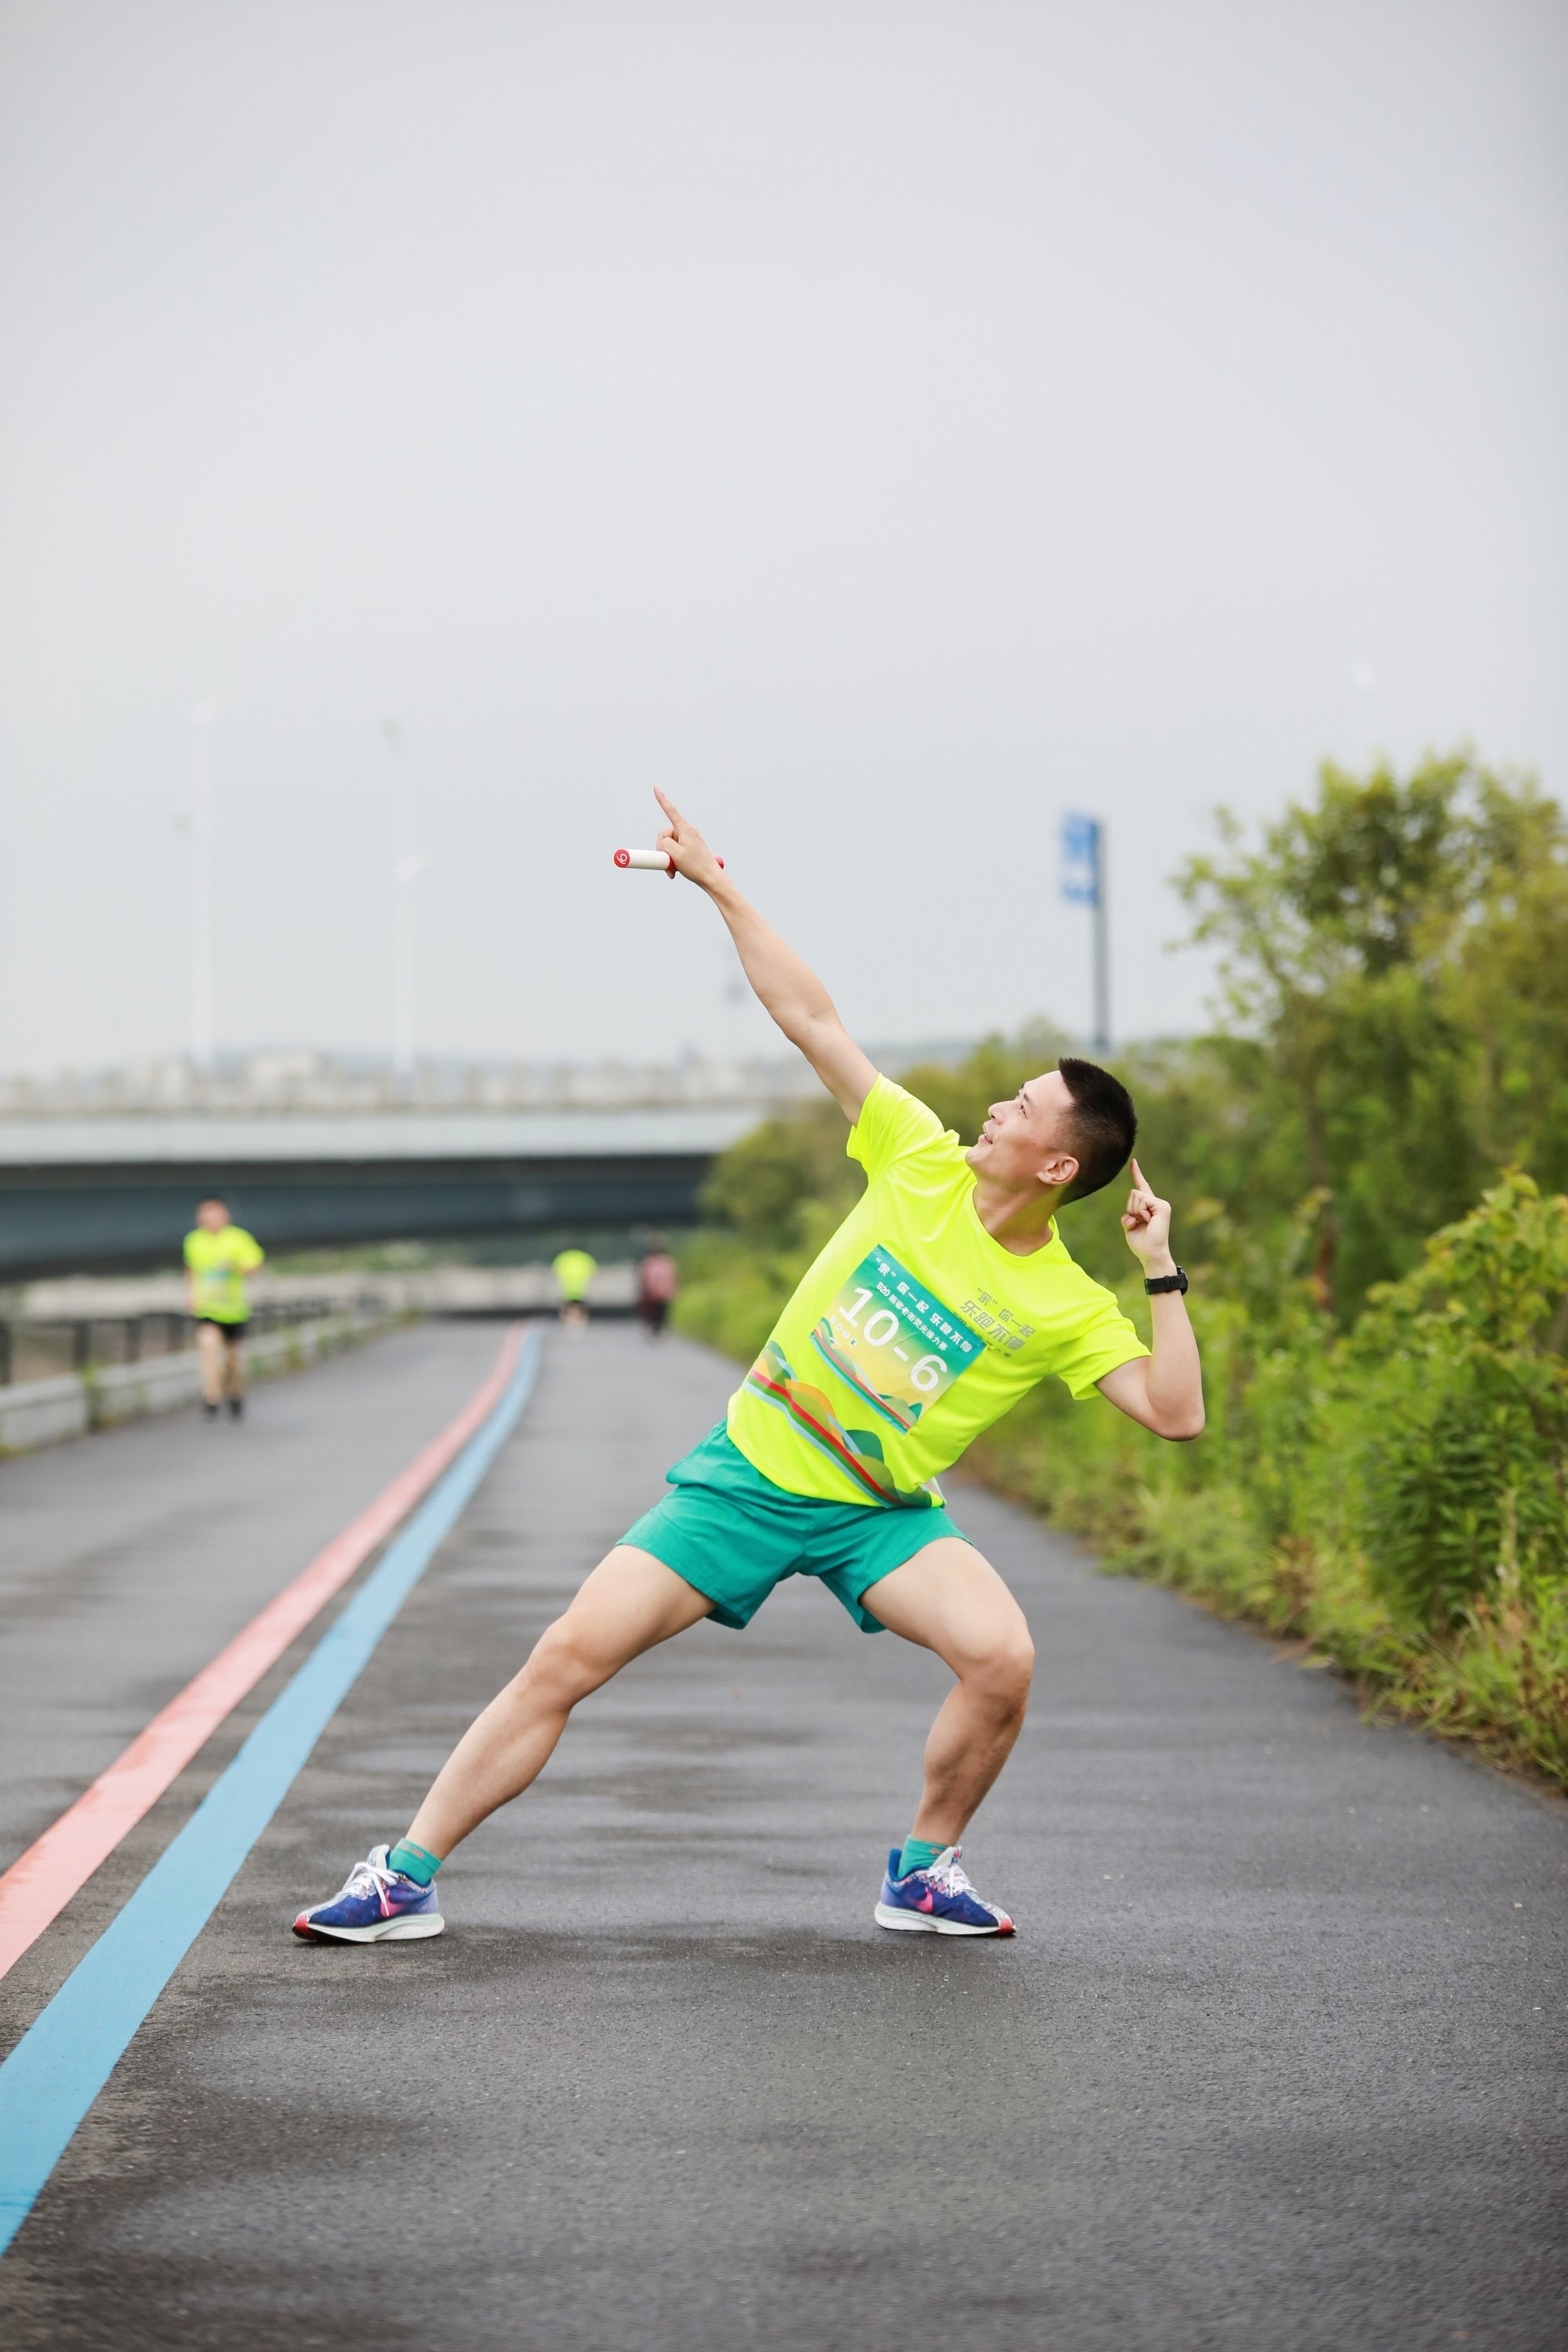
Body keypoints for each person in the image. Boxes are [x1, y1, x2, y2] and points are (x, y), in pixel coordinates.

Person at [295, 793, 1203, 1947]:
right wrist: (720, 884)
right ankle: (404, 1874)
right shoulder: (918, 1159)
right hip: (746, 1481)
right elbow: (810, 1017)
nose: (994, 1105)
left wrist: (1160, 1269)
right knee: (565, 1660)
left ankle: (924, 1871)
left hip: (880, 1518)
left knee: (1003, 1657)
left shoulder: (1065, 1302)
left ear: (1057, 1161)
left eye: (1019, 1105)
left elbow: (1176, 1414)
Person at [183, 1197, 264, 1421]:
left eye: (214, 1213)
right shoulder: (194, 1241)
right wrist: (190, 1295)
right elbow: (190, 1269)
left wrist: (234, 1265)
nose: (209, 1218)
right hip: (208, 1309)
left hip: (234, 1311)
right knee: (208, 1347)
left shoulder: (238, 1239)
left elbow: (255, 1268)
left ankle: (236, 1394)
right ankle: (211, 1396)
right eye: (205, 1214)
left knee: (233, 1361)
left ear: (225, 1215)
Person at [637, 1240, 679, 1337]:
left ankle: (655, 1327)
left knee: (654, 1311)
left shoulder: (648, 1262)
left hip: (653, 1292)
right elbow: (674, 1276)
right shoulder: (668, 1262)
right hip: (664, 1292)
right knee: (662, 1311)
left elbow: (643, 1277)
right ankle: (658, 1327)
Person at [551, 1244, 597, 1328]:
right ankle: (581, 1323)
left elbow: (554, 1271)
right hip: (581, 1288)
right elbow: (593, 1271)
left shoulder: (563, 1257)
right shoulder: (585, 1257)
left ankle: (566, 1323)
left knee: (566, 1307)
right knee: (580, 1307)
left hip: (567, 1288)